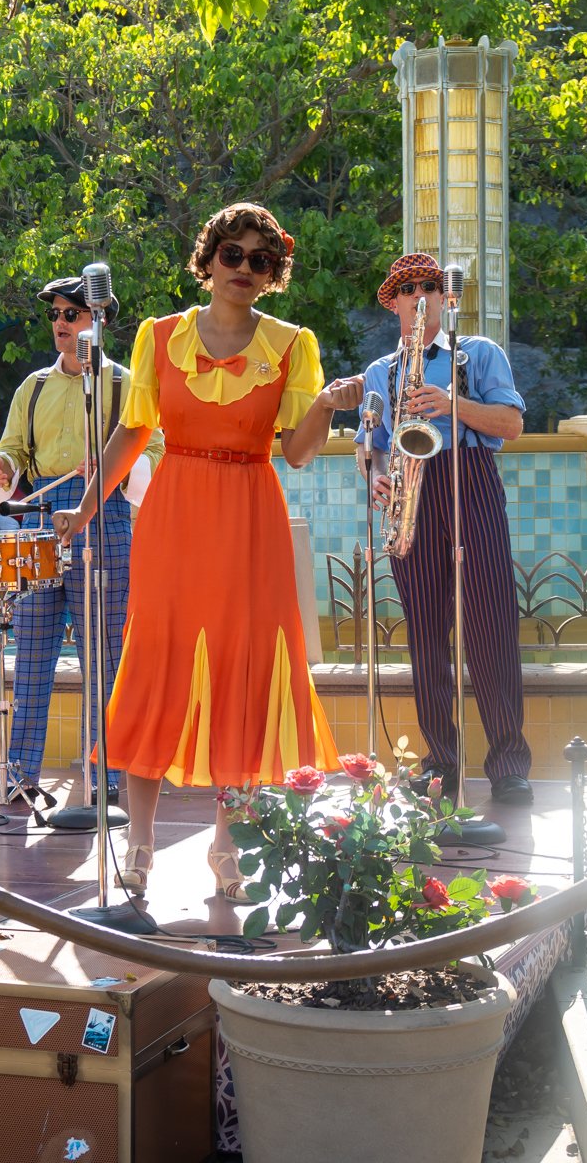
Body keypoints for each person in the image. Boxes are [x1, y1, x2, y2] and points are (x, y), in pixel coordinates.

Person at [55, 202, 341, 899]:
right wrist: (86, 510)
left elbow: (298, 455)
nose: (245, 268)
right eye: (233, 255)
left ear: (274, 274)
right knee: (159, 671)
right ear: (209, 259)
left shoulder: (293, 344)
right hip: (175, 516)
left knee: (243, 678)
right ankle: (142, 845)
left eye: (261, 261)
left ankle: (224, 847)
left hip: (250, 517)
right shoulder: (159, 337)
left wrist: (329, 404)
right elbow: (130, 434)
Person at [348, 252, 534, 806]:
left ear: (445, 298)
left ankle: (508, 763)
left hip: (469, 478)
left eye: (429, 285)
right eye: (408, 289)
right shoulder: (381, 371)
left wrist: (454, 404)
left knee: (491, 626)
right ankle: (441, 763)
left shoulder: (478, 354)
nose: (420, 295)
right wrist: (378, 477)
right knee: (426, 636)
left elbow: (513, 424)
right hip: (412, 491)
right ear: (395, 304)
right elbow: (369, 446)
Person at [0, 274, 165, 802]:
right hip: (39, 516)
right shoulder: (31, 387)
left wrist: (116, 468)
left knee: (103, 654)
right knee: (32, 651)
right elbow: (13, 449)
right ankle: (19, 777)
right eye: (55, 316)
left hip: (102, 513)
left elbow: (154, 450)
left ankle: (104, 777)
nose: (60, 324)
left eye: (70, 314)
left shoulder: (128, 385)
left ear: (96, 319)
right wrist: (1, 468)